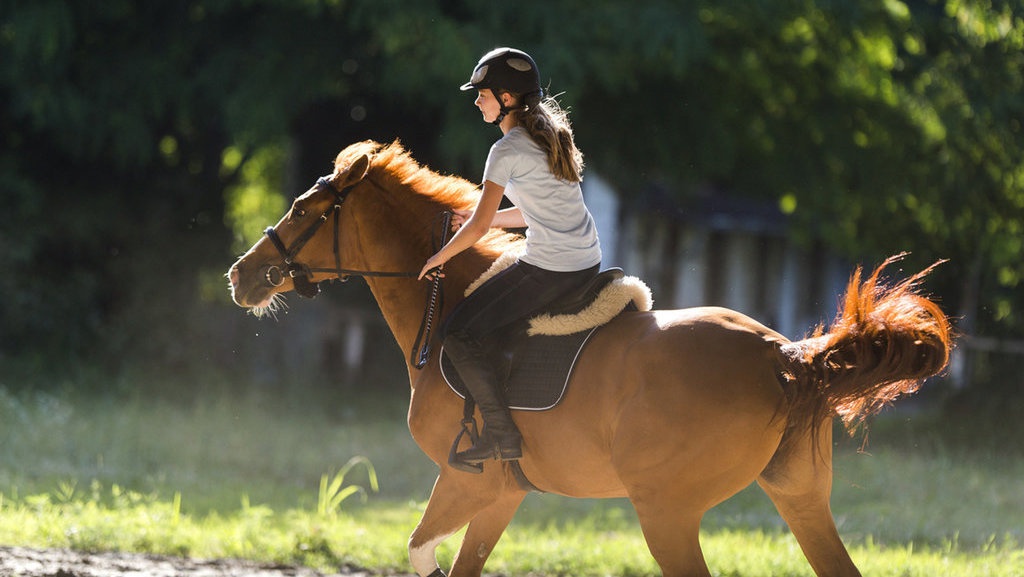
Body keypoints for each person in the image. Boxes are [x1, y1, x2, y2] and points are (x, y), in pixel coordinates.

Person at [417, 47, 602, 464]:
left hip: (551, 267)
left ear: (506, 98)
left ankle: (502, 435)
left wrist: (439, 258)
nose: (476, 100)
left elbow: (477, 230)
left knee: (458, 331)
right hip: (582, 259)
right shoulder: (546, 135)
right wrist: (480, 218)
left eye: (481, 93)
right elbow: (529, 211)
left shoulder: (505, 150)